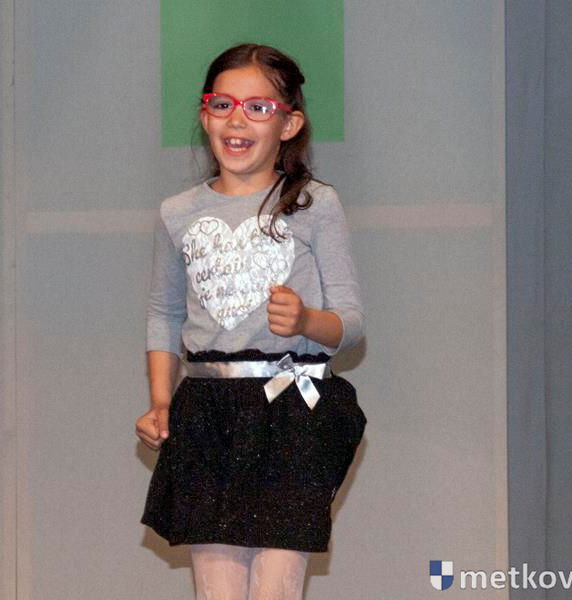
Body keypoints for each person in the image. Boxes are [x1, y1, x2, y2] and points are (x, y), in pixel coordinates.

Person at [136, 43, 367, 599]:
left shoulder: (314, 204)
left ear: (289, 125)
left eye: (258, 108)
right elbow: (164, 313)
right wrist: (161, 400)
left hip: (291, 413)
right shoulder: (177, 213)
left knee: (276, 584)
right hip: (207, 414)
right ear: (205, 115)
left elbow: (352, 323)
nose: (237, 120)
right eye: (223, 105)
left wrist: (307, 320)